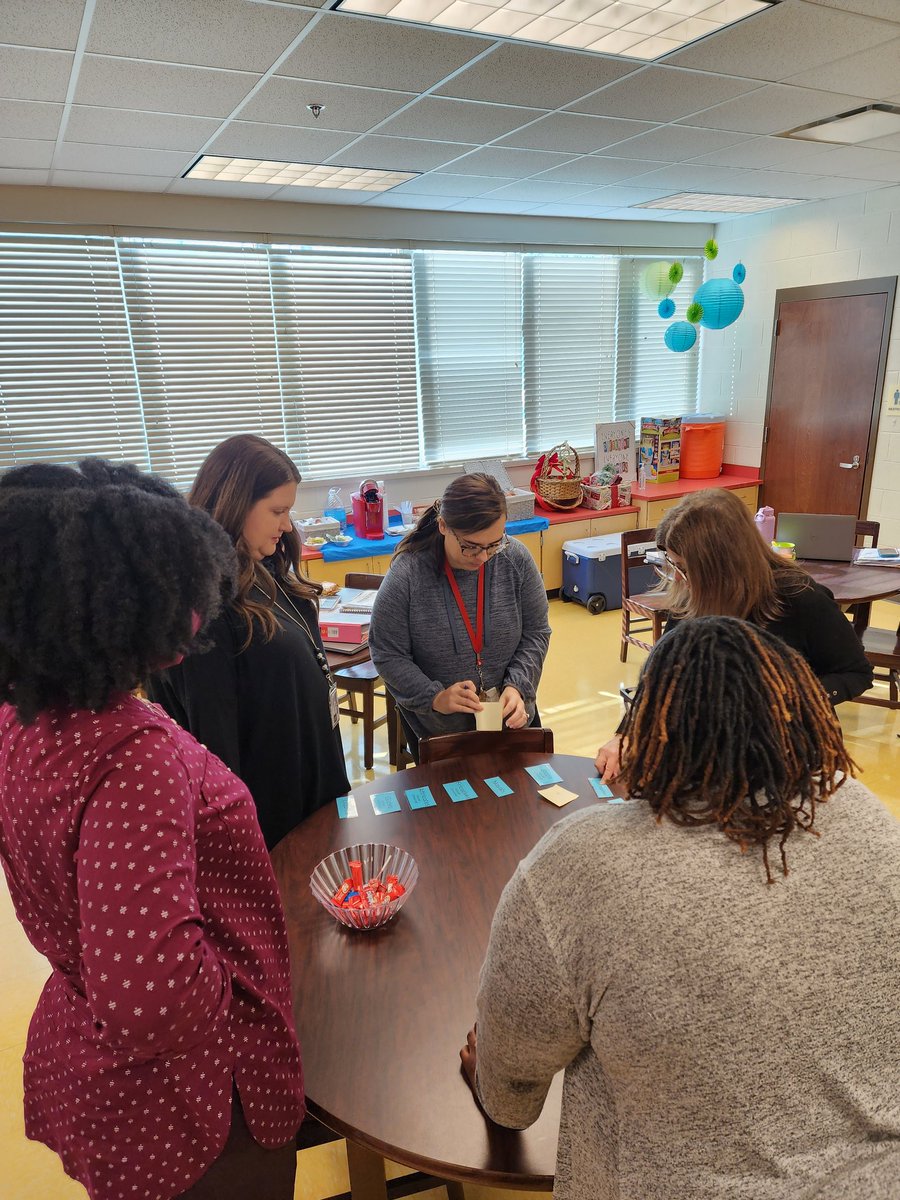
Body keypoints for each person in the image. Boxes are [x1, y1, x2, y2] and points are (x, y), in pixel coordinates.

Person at [462, 617, 900, 1200]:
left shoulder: (583, 862)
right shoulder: (871, 820)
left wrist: (489, 1080)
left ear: (651, 727)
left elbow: (511, 1089)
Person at [0, 459, 305, 1200]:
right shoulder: (133, 758)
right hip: (189, 1104)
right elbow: (150, 999)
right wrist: (231, 986)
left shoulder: (22, 718)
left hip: (90, 1054)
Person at [147, 435, 350, 848]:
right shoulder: (203, 605)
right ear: (236, 503)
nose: (287, 525)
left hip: (311, 778)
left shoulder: (262, 565)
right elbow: (216, 743)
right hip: (272, 811)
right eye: (277, 511)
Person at [597, 487, 873, 780]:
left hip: (790, 757)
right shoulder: (690, 598)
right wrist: (626, 734)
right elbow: (661, 681)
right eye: (674, 566)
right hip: (715, 758)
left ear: (722, 566)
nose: (679, 579)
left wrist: (792, 698)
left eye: (686, 568)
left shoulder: (803, 600)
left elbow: (855, 673)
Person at [368, 472, 551, 760]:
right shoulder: (408, 575)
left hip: (511, 721)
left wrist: (519, 686)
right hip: (442, 734)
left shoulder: (515, 560)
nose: (483, 558)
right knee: (454, 804)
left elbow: (536, 632)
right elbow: (387, 654)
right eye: (470, 546)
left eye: (494, 544)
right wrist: (435, 697)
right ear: (443, 526)